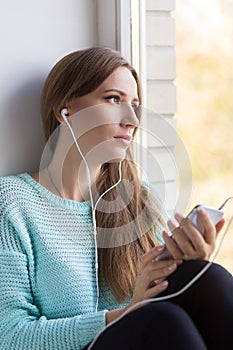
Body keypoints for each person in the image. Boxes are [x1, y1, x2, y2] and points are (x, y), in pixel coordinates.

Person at [0, 47, 233, 350]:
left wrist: (188, 262)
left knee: (205, 277)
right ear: (64, 110)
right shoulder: (13, 203)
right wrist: (126, 313)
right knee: (160, 319)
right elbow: (11, 336)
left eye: (135, 105)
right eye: (114, 99)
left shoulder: (141, 200)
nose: (132, 120)